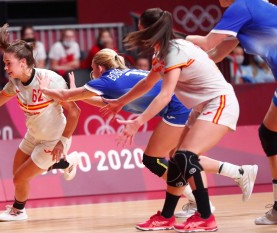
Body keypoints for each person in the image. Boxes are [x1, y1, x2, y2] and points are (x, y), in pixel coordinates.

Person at [37, 47, 258, 228]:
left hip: (176, 107)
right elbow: (105, 102)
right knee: (180, 157)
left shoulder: (103, 81)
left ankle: (196, 203)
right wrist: (80, 93)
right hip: (183, 102)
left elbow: (65, 95)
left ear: (100, 68)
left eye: (92, 71)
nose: (92, 75)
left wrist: (45, 90)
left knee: (154, 159)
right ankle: (238, 173)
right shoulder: (123, 76)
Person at [99, 8, 258, 232]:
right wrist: (119, 102)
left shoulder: (174, 51)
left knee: (185, 156)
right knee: (176, 159)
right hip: (202, 107)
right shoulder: (162, 53)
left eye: (140, 28)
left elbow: (165, 95)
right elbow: (145, 85)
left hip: (220, 102)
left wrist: (138, 121)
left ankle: (206, 217)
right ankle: (166, 217)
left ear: (144, 28)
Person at [0, 24, 81, 222]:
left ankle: (18, 211)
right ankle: (65, 163)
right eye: (4, 63)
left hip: (53, 139)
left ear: (22, 62)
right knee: (17, 175)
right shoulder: (15, 84)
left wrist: (62, 142)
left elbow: (74, 112)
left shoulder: (50, 79)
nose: (5, 68)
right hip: (33, 135)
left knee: (20, 178)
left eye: (8, 63)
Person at [185, 0, 277, 225]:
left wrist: (183, 41)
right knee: (269, 133)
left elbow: (206, 43)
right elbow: (215, 55)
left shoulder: (243, 6)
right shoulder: (249, 12)